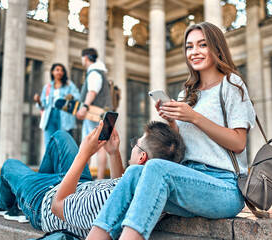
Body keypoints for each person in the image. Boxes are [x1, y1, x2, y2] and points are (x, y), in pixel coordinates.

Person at [88, 22, 256, 240]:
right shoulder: (187, 93)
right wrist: (173, 124)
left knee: (156, 168)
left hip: (224, 188)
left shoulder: (232, 84)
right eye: (189, 47)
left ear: (216, 47)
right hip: (186, 181)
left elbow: (239, 143)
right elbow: (185, 147)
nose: (194, 52)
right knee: (134, 172)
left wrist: (194, 117)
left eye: (202, 45)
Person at [0, 121, 185, 238]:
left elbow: (57, 206)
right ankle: (28, 194)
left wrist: (84, 154)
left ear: (142, 158)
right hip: (77, 186)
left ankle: (8, 205)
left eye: (136, 143)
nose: (133, 145)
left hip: (46, 203)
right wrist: (113, 153)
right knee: (61, 137)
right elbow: (120, 191)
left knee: (10, 166)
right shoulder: (148, 186)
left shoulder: (106, 199)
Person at [77, 48, 112, 179]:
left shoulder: (94, 72)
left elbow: (92, 91)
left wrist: (84, 106)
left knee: (88, 145)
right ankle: (100, 178)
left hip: (95, 113)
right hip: (104, 113)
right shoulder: (100, 72)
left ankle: (86, 178)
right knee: (101, 146)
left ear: (85, 57)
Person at [34, 63, 80, 146]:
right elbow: (43, 106)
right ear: (52, 72)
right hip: (50, 116)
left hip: (64, 115)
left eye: (62, 70)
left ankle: (63, 159)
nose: (60, 72)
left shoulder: (68, 84)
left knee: (63, 142)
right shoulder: (47, 87)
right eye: (57, 70)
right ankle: (51, 158)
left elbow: (78, 96)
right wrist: (38, 101)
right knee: (49, 142)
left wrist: (71, 96)